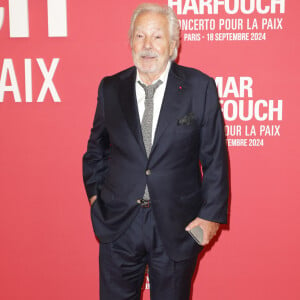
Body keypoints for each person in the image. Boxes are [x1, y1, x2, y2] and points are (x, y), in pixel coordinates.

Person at [83, 3, 229, 300]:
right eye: (140, 36)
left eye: (157, 37)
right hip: (119, 224)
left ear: (173, 44)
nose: (147, 45)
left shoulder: (199, 88)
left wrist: (209, 219)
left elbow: (215, 159)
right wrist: (97, 199)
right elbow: (95, 150)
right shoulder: (110, 88)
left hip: (177, 226)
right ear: (131, 42)